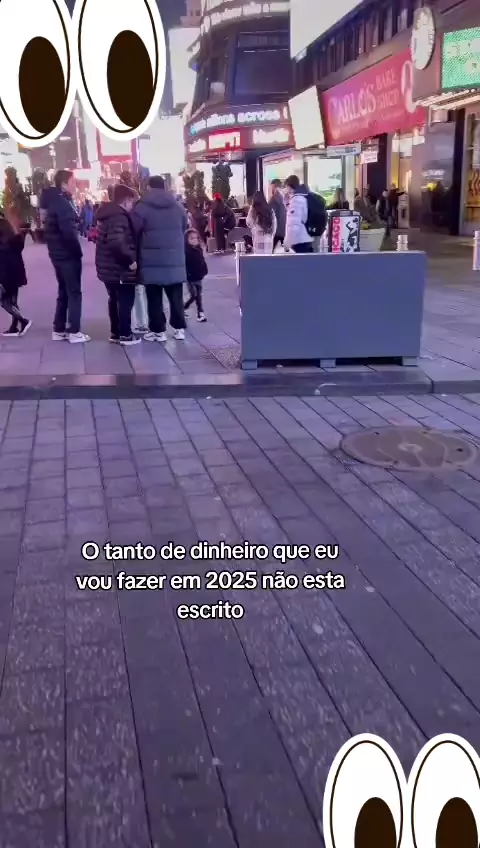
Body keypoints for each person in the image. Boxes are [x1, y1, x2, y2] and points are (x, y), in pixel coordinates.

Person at [131, 175, 187, 342]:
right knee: (176, 296)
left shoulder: (141, 207)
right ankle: (178, 330)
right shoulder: (177, 206)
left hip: (150, 259)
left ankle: (158, 331)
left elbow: (135, 231)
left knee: (154, 297)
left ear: (149, 187)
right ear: (165, 186)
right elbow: (184, 226)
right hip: (174, 258)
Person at [44, 169, 89, 343]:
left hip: (57, 254)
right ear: (63, 184)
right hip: (67, 255)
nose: (75, 185)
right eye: (73, 182)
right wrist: (77, 251)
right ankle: (74, 331)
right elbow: (68, 233)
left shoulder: (56, 202)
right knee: (74, 292)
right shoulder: (63, 204)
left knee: (63, 290)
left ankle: (59, 328)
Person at [95, 184, 140, 346]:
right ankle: (125, 334)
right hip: (119, 268)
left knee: (114, 299)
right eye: (132, 202)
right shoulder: (119, 217)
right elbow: (117, 242)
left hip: (108, 267)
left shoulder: (107, 214)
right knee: (125, 300)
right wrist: (130, 261)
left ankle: (115, 332)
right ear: (126, 200)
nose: (132, 206)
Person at [0, 213, 31, 336]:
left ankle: (23, 321)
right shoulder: (12, 237)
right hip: (16, 272)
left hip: (5, 274)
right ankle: (14, 327)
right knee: (12, 300)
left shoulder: (3, 247)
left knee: (4, 301)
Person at [283, 175, 313, 253]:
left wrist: (287, 243)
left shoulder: (296, 200)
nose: (286, 190)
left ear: (289, 186)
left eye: (286, 187)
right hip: (305, 239)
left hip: (299, 242)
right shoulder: (302, 197)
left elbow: (294, 224)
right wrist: (287, 202)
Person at [184, 228, 208, 322]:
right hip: (190, 277)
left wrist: (204, 270)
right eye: (191, 238)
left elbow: (202, 261)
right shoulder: (186, 251)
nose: (194, 240)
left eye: (196, 238)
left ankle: (200, 313)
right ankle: (183, 308)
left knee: (198, 296)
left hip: (198, 276)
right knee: (193, 295)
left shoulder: (199, 250)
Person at [269, 179, 286, 251]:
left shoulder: (273, 198)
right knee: (287, 252)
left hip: (276, 230)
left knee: (271, 251)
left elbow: (270, 213)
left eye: (272, 187)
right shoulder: (286, 196)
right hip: (284, 229)